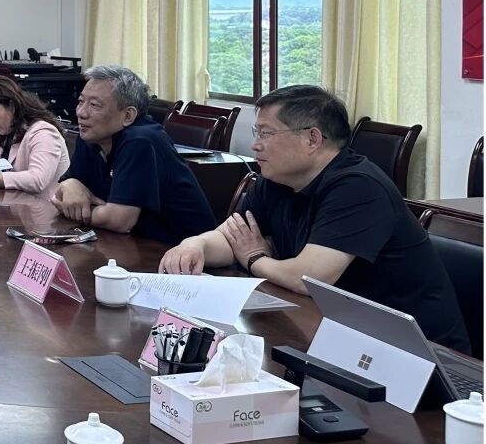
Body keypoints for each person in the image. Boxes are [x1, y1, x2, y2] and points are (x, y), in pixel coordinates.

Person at [160, 85, 471, 353]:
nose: (255, 144)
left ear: (312, 139)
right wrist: (195, 246)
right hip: (335, 329)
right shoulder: (277, 178)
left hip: (416, 352)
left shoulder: (359, 187)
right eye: (257, 133)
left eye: (266, 133)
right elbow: (233, 238)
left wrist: (255, 258)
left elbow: (307, 278)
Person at [53, 65, 215, 242]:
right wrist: (71, 183)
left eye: (94, 105)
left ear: (128, 116)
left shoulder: (141, 140)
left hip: (181, 250)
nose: (81, 112)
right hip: (128, 244)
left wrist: (77, 212)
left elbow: (120, 221)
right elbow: (60, 195)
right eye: (80, 101)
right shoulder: (91, 136)